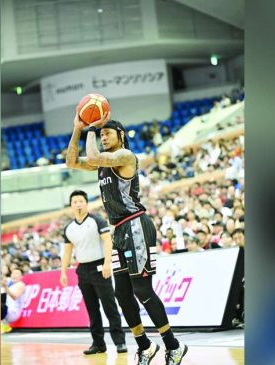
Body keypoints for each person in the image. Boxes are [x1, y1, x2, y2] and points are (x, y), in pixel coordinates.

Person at [66, 111, 188, 365]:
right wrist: (78, 129)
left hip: (136, 226)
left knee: (142, 290)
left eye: (107, 133)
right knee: (122, 294)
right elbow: (71, 162)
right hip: (119, 230)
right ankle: (145, 345)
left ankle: (173, 345)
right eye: (101, 134)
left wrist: (92, 127)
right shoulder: (103, 162)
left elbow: (97, 156)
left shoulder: (125, 156)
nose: (103, 136)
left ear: (121, 135)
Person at [60, 190, 127, 355]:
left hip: (100, 267)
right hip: (82, 270)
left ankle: (120, 342)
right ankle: (98, 344)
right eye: (75, 202)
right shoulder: (69, 228)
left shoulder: (96, 220)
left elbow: (107, 242)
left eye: (81, 201)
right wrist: (63, 272)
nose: (78, 204)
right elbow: (67, 252)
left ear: (86, 203)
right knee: (92, 309)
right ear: (71, 206)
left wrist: (107, 263)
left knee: (109, 306)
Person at [1, 269, 26, 334]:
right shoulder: (10, 285)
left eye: (17, 273)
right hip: (6, 311)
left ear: (21, 277)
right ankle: (4, 325)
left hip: (13, 312)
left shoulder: (21, 284)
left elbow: (14, 297)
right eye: (13, 273)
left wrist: (5, 287)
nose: (14, 275)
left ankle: (3, 325)